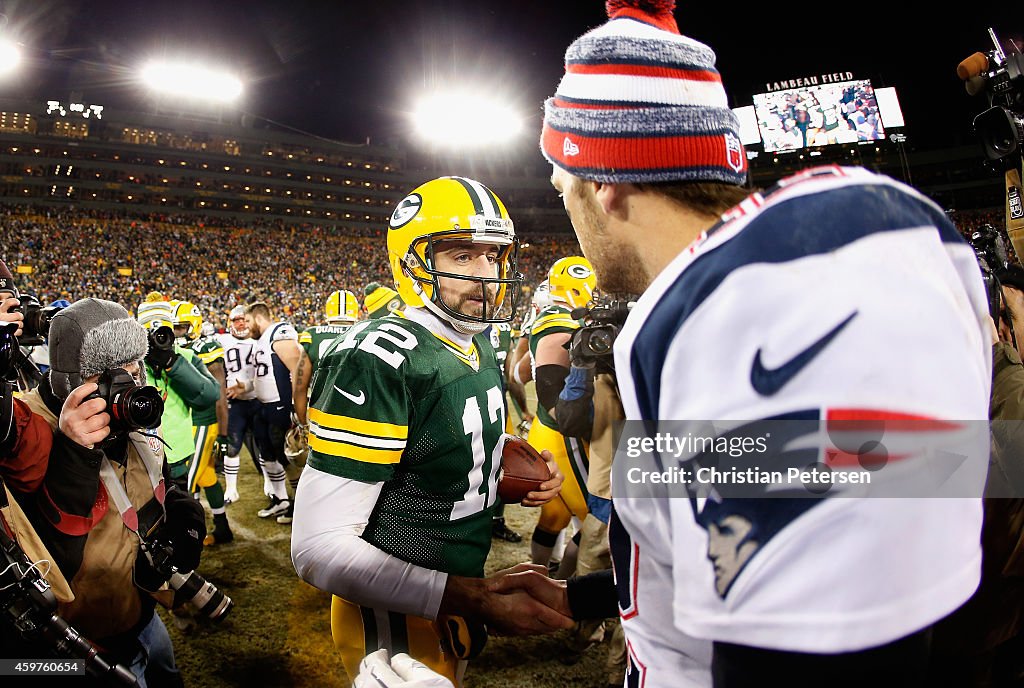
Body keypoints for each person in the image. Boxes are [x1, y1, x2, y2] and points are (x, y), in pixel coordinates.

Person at [499, 2, 993, 686]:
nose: (567, 210)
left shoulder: (757, 297)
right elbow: (703, 535)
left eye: (564, 190)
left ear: (603, 184)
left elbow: (820, 646)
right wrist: (583, 595)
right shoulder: (702, 297)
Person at [291, 176, 571, 685]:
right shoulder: (378, 357)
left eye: (493, 256)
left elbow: (435, 436)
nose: (485, 276)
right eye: (462, 257)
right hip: (393, 607)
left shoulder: (475, 337)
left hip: (453, 579)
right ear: (413, 263)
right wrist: (474, 596)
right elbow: (317, 547)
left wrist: (511, 458)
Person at [16, 298, 206, 686]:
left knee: (166, 674)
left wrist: (183, 512)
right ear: (68, 375)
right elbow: (34, 554)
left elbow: (155, 476)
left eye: (133, 368)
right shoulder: (23, 432)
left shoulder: (130, 413)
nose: (127, 384)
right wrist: (73, 453)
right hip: (72, 643)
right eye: (105, 373)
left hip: (139, 612)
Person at [526, 256, 596, 576]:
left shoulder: (554, 315)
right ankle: (563, 586)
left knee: (555, 517)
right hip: (561, 433)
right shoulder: (559, 319)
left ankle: (537, 575)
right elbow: (551, 391)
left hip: (548, 430)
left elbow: (520, 370)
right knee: (597, 521)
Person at [171, 299, 234, 545]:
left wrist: (224, 434)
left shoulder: (205, 347)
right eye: (174, 327)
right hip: (190, 421)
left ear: (194, 326)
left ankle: (190, 537)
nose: (177, 333)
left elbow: (219, 393)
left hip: (202, 422)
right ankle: (223, 528)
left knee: (187, 482)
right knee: (207, 476)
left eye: (182, 327)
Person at [245, 301, 311, 524]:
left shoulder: (278, 332)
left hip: (279, 406)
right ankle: (282, 500)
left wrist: (296, 406)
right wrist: (244, 387)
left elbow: (297, 368)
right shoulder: (261, 340)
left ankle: (301, 505)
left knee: (288, 457)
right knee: (268, 455)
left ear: (259, 317)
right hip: (264, 406)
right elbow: (263, 375)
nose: (245, 327)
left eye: (247, 321)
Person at [218, 304, 262, 503]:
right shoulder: (221, 341)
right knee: (232, 448)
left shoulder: (260, 340)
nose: (242, 323)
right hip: (234, 403)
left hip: (258, 400)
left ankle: (273, 490)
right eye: (237, 320)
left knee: (265, 448)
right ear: (231, 323)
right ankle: (231, 490)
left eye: (244, 319)